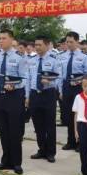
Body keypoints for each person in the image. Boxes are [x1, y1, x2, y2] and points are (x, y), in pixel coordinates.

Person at [27, 35, 61, 163]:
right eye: (36, 45)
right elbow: (28, 78)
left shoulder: (54, 60)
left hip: (48, 94)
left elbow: (58, 78)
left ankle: (51, 152)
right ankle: (41, 149)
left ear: (47, 45)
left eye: (39, 45)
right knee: (38, 125)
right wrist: (27, 96)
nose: (37, 47)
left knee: (49, 125)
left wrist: (49, 81)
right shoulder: (32, 60)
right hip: (35, 94)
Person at [61, 31, 87, 151]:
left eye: (71, 42)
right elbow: (60, 74)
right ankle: (70, 141)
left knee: (79, 115)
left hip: (79, 88)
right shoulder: (62, 56)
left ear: (77, 42)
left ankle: (81, 142)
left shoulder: (84, 57)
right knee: (68, 115)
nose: (69, 44)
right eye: (67, 42)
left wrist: (81, 83)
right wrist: (60, 90)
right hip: (66, 87)